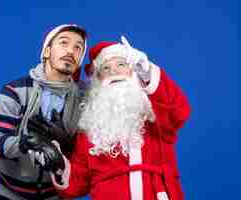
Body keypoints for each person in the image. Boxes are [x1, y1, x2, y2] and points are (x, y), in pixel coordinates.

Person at [51, 36, 191, 200]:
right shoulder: (90, 128)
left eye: (121, 65)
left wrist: (147, 72)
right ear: (98, 80)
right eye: (106, 69)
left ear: (133, 71)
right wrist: (57, 163)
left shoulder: (155, 112)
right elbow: (76, 185)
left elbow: (179, 112)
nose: (114, 72)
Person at [0, 24, 87, 200]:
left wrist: (66, 143)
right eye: (64, 43)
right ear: (47, 51)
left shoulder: (83, 100)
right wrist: (27, 143)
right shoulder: (15, 90)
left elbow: (86, 158)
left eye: (78, 48)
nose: (71, 51)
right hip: (10, 193)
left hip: (55, 194)